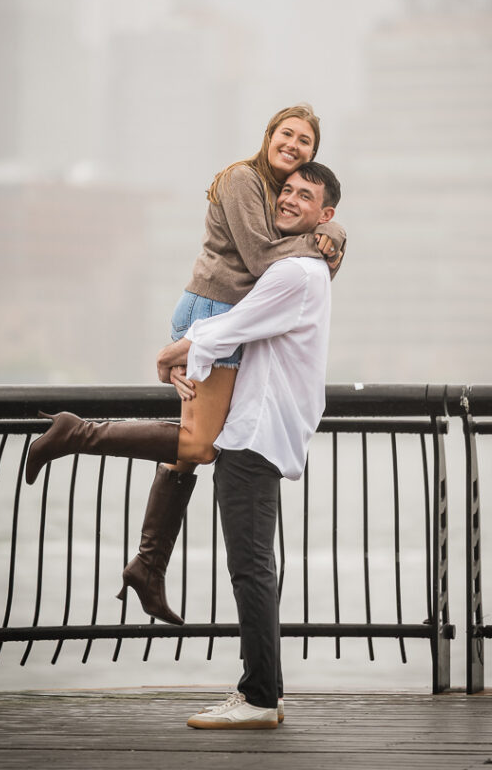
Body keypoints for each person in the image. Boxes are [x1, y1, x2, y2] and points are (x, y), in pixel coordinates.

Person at [25, 104, 345, 625]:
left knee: (189, 451)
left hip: (227, 314)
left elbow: (290, 244)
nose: (294, 146)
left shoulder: (275, 192)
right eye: (286, 134)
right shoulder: (244, 180)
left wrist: (335, 231)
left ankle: (148, 566)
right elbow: (267, 260)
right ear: (268, 136)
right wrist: (329, 241)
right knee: (199, 443)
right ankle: (75, 433)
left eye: (305, 142)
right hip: (216, 311)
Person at [155, 161, 342, 730]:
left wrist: (175, 352)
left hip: (256, 433)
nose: (289, 199)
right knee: (253, 565)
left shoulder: (296, 273)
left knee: (251, 568)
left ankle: (259, 697)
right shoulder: (303, 267)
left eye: (304, 196)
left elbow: (231, 325)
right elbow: (241, 328)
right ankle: (265, 693)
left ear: (324, 215)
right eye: (286, 191)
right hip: (257, 429)